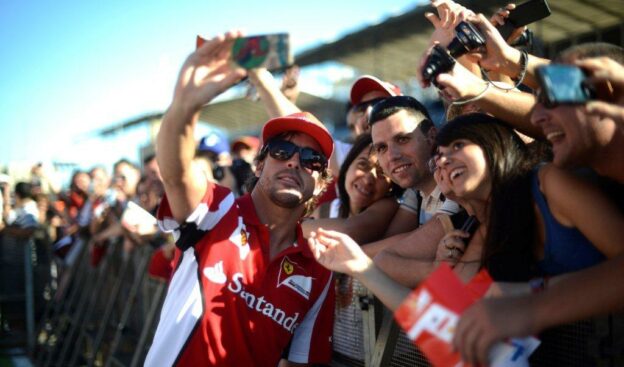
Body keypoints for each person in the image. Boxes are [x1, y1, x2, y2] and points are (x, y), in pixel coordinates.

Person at [144, 32, 336, 367]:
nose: (294, 161)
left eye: (312, 159)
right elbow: (175, 173)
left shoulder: (319, 268)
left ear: (321, 184)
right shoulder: (217, 209)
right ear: (259, 164)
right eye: (282, 150)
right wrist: (185, 107)